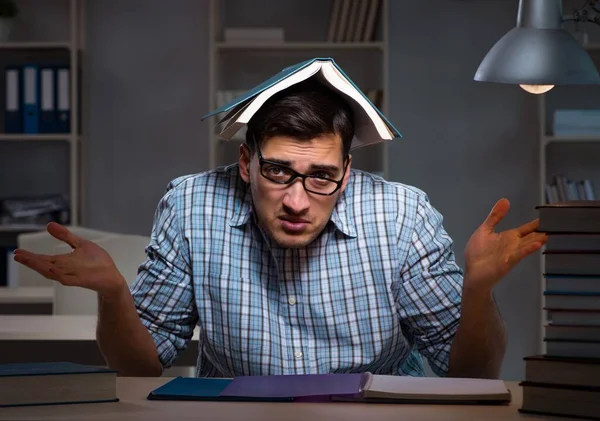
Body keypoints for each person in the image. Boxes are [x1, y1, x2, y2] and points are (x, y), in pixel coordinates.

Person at [13, 78, 547, 379]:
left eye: (322, 178)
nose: (296, 201)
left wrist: (477, 291)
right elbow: (140, 366)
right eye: (277, 172)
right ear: (246, 164)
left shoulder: (402, 215)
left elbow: (471, 375)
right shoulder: (190, 205)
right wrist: (112, 292)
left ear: (347, 174)